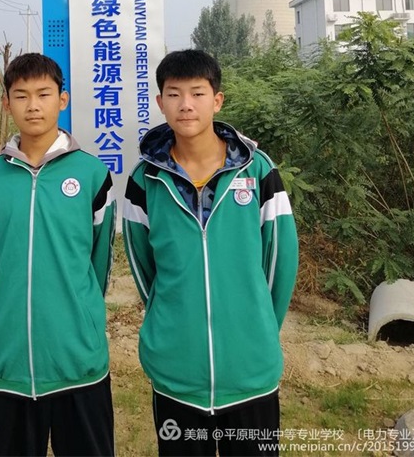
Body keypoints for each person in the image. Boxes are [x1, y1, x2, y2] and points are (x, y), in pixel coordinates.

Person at [123, 49, 298, 457]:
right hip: (176, 374)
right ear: (160, 101)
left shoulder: (257, 171)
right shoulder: (145, 180)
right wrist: (169, 319)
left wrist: (258, 328)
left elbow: (280, 260)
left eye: (197, 93)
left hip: (249, 372)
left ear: (217, 100)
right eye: (174, 94)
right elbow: (143, 266)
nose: (186, 105)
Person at [0, 53, 116, 457]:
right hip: (9, 364)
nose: (33, 105)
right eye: (21, 96)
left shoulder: (92, 174)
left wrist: (80, 314)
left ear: (62, 100)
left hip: (77, 363)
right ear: (6, 103)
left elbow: (98, 262)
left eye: (43, 94)